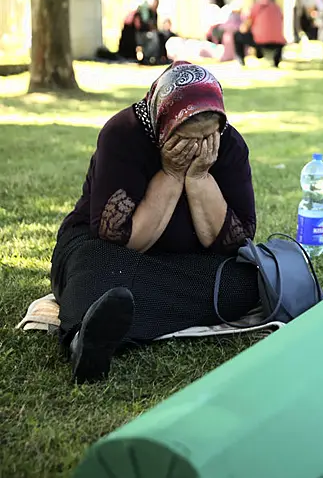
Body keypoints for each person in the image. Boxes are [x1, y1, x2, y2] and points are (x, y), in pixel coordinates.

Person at [51, 62, 259, 384]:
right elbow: (125, 240)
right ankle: (84, 339)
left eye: (208, 137)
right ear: (164, 126)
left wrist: (200, 176)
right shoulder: (122, 135)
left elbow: (236, 241)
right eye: (185, 140)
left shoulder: (230, 146)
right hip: (109, 254)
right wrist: (173, 175)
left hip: (185, 263)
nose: (198, 148)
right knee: (95, 262)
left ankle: (119, 314)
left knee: (244, 281)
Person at [234, 0, 287, 67]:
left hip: (260, 41)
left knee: (237, 35)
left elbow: (245, 26)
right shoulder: (277, 7)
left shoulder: (256, 6)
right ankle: (274, 60)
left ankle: (241, 60)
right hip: (279, 41)